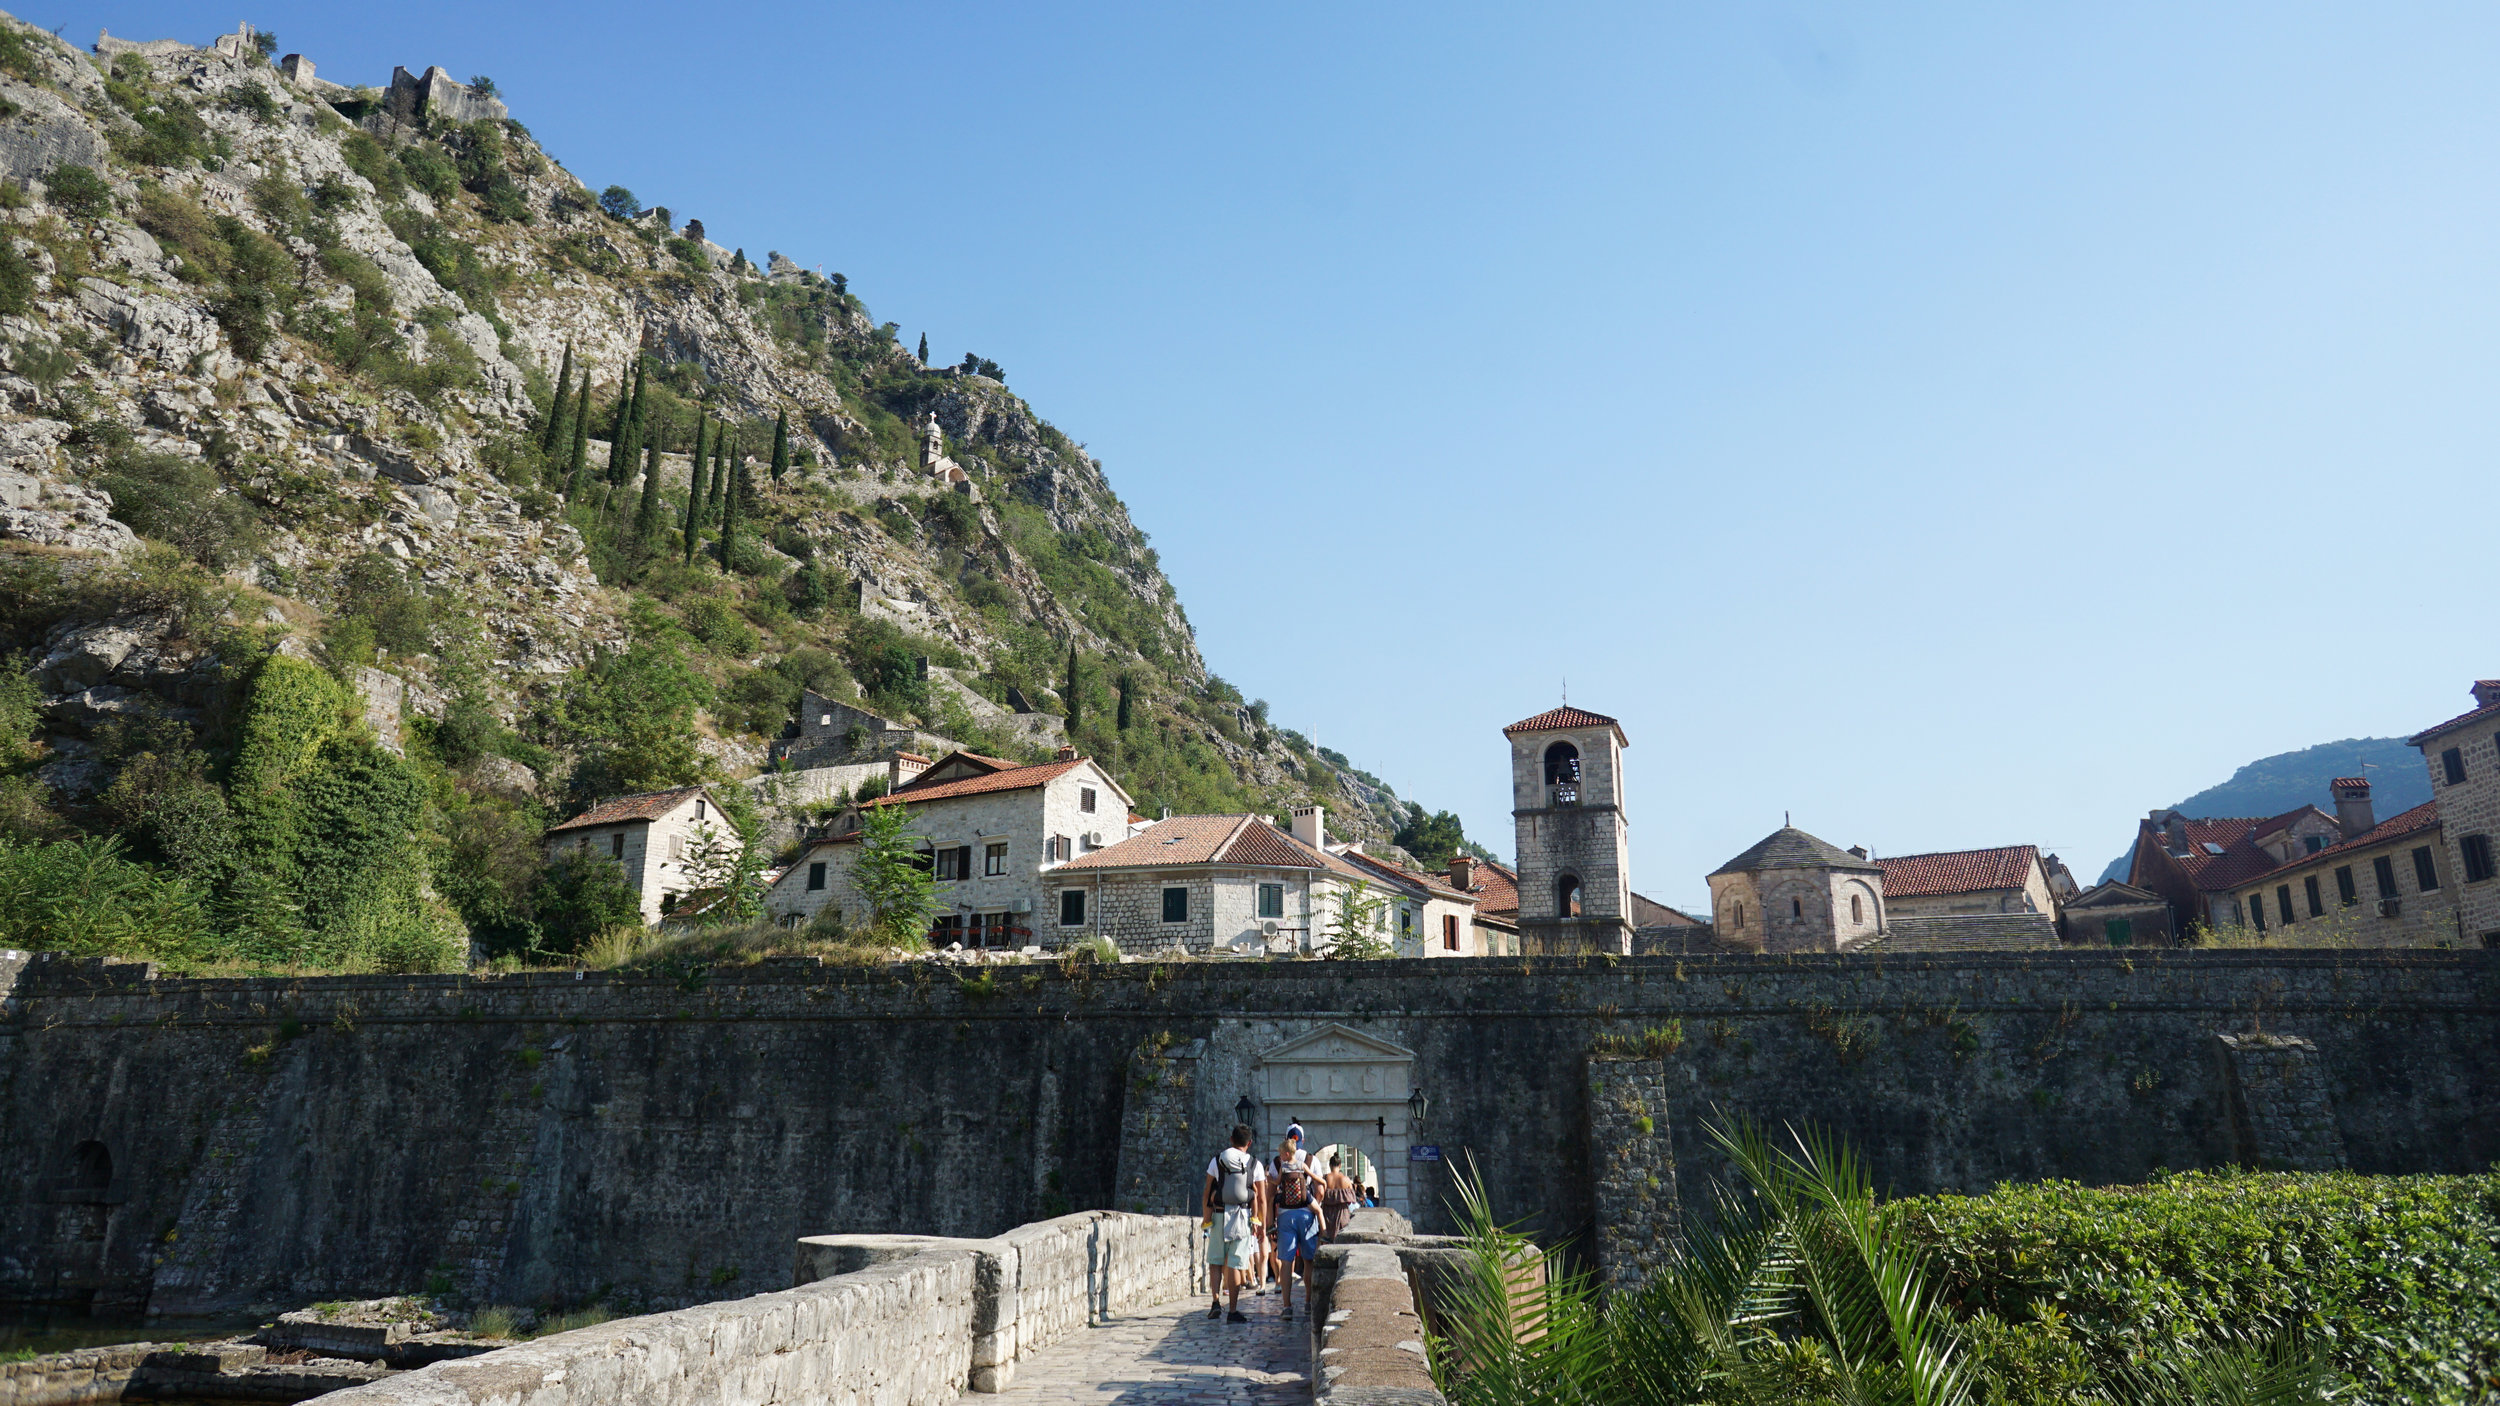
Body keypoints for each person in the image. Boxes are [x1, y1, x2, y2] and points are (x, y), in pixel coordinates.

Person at [1202, 1125, 1266, 1323]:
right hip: (1243, 1216)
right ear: (1249, 1143)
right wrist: (1261, 1224)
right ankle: (1233, 1311)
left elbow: (1207, 1192)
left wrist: (1206, 1218)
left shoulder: (1218, 1159)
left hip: (1220, 1214)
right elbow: (1262, 1198)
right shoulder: (1255, 1164)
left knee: (1215, 1261)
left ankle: (1215, 1302)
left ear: (1231, 1139)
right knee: (1236, 1265)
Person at [1269, 1142, 1319, 1321]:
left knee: (1286, 1262)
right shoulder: (1311, 1160)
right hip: (1306, 1215)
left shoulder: (1277, 1164)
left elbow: (1270, 1194)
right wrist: (1317, 1208)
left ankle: (1287, 1307)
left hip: (1285, 1216)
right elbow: (1320, 1187)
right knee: (1308, 1261)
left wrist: (1269, 1222)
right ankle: (1308, 1302)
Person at [1319, 1153, 1359, 1241]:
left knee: (1326, 1239)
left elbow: (1320, 1194)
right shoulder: (1346, 1179)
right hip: (1342, 1213)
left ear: (1330, 1165)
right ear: (1340, 1165)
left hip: (1327, 1212)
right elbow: (1353, 1199)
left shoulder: (1325, 1178)